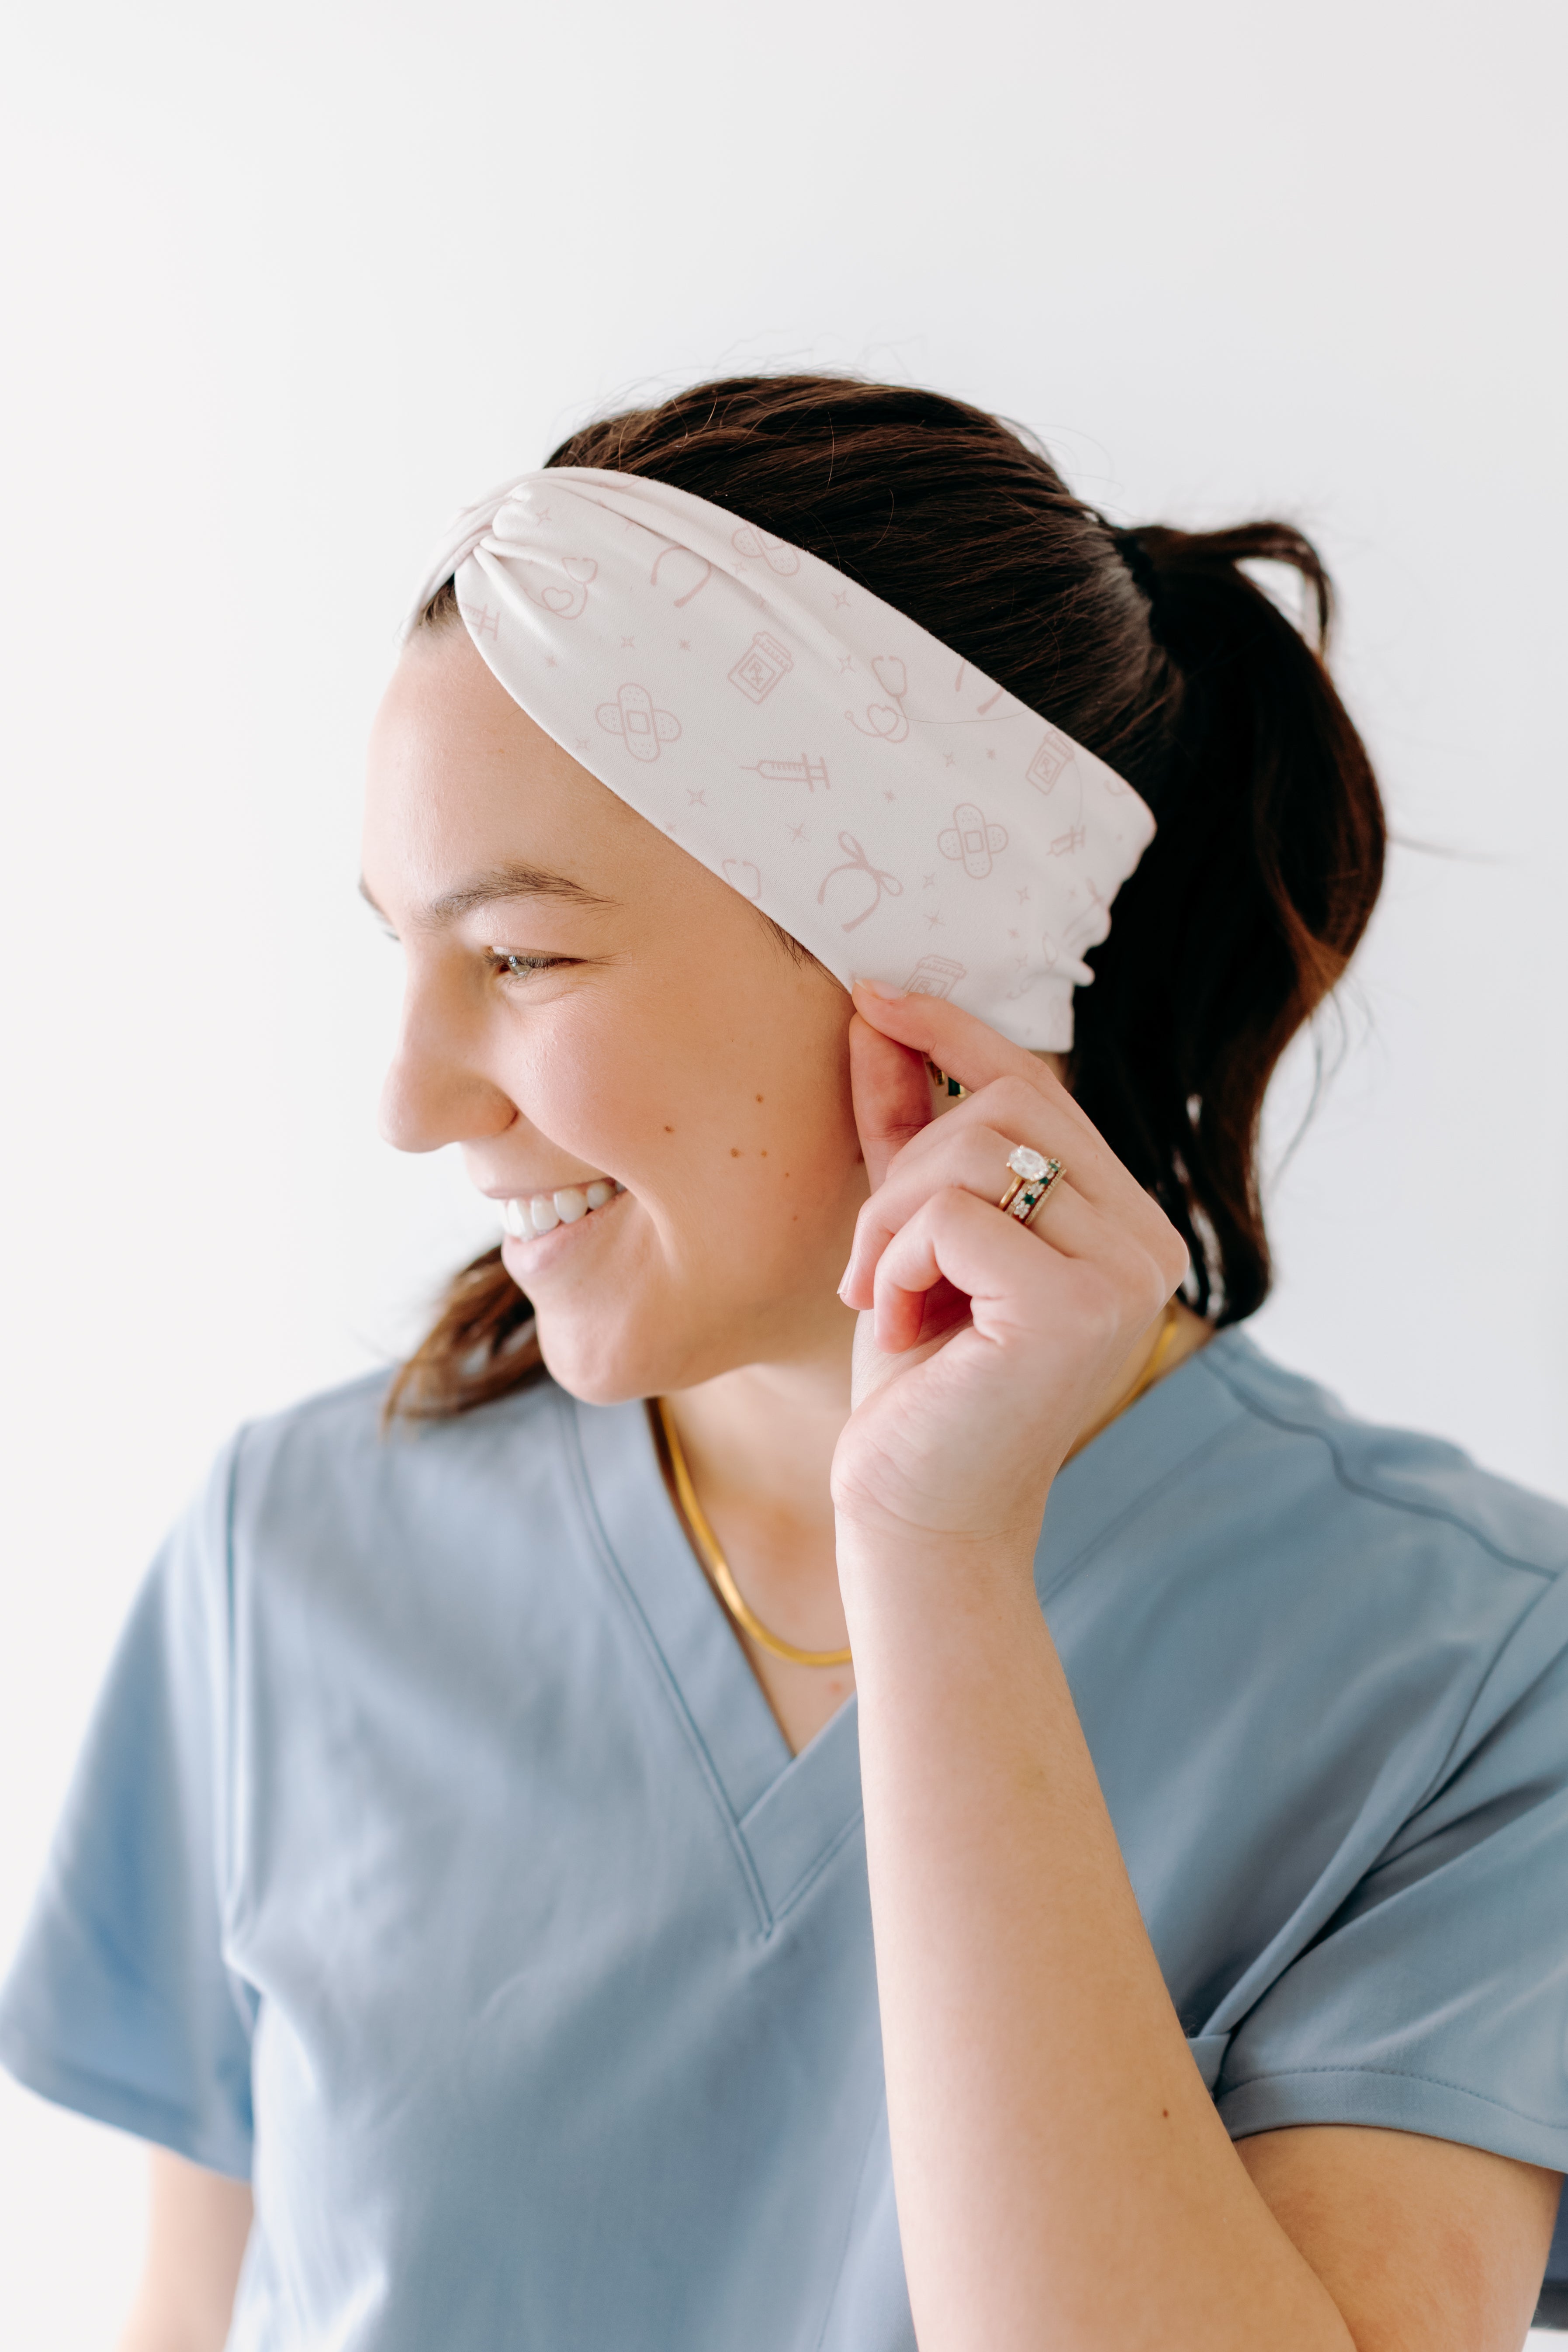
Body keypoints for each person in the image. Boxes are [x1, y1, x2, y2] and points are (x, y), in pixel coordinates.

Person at [3, 374, 1565, 2352]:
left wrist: (938, 1555)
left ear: (931, 962)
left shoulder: (1479, 1675)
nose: (405, 1099)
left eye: (522, 957)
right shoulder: (292, 1551)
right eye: (397, 945)